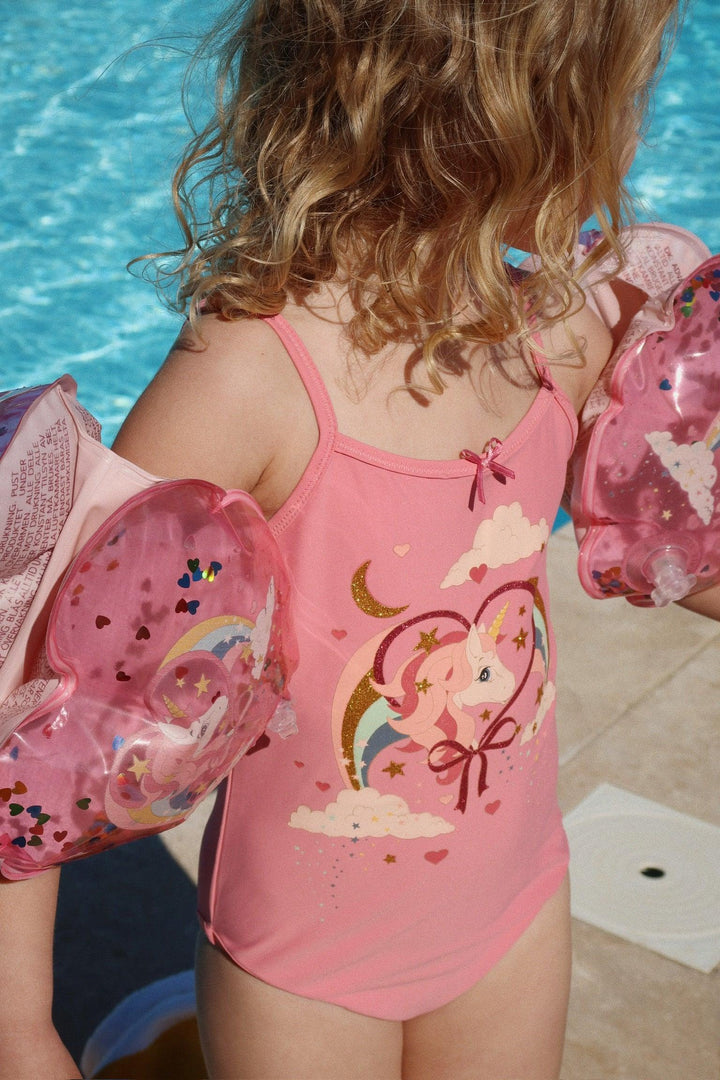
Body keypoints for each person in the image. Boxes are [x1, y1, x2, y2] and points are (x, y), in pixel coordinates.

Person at [3, 1, 718, 1078]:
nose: (631, 135)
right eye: (624, 95)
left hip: (513, 909)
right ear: (533, 114)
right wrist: (17, 1021)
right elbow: (44, 696)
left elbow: (686, 551)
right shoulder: (253, 379)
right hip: (304, 965)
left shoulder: (566, 333)